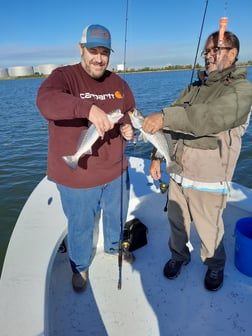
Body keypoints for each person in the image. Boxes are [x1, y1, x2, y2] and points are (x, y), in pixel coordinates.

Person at [142, 30, 252, 291]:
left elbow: (209, 117)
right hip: (177, 173)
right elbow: (167, 129)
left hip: (209, 180)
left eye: (216, 49)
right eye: (207, 51)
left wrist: (166, 117)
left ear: (233, 54)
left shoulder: (241, 90)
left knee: (209, 230)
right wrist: (157, 156)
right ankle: (179, 256)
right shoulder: (192, 88)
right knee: (176, 224)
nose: (210, 55)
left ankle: (214, 265)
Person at [37, 24, 135, 292]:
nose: (99, 58)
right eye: (93, 50)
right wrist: (87, 109)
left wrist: (128, 128)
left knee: (117, 216)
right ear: (81, 49)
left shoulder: (119, 83)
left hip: (116, 171)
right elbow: (46, 102)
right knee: (80, 226)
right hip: (77, 176)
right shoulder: (63, 77)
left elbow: (128, 113)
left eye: (104, 52)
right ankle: (80, 267)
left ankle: (114, 248)